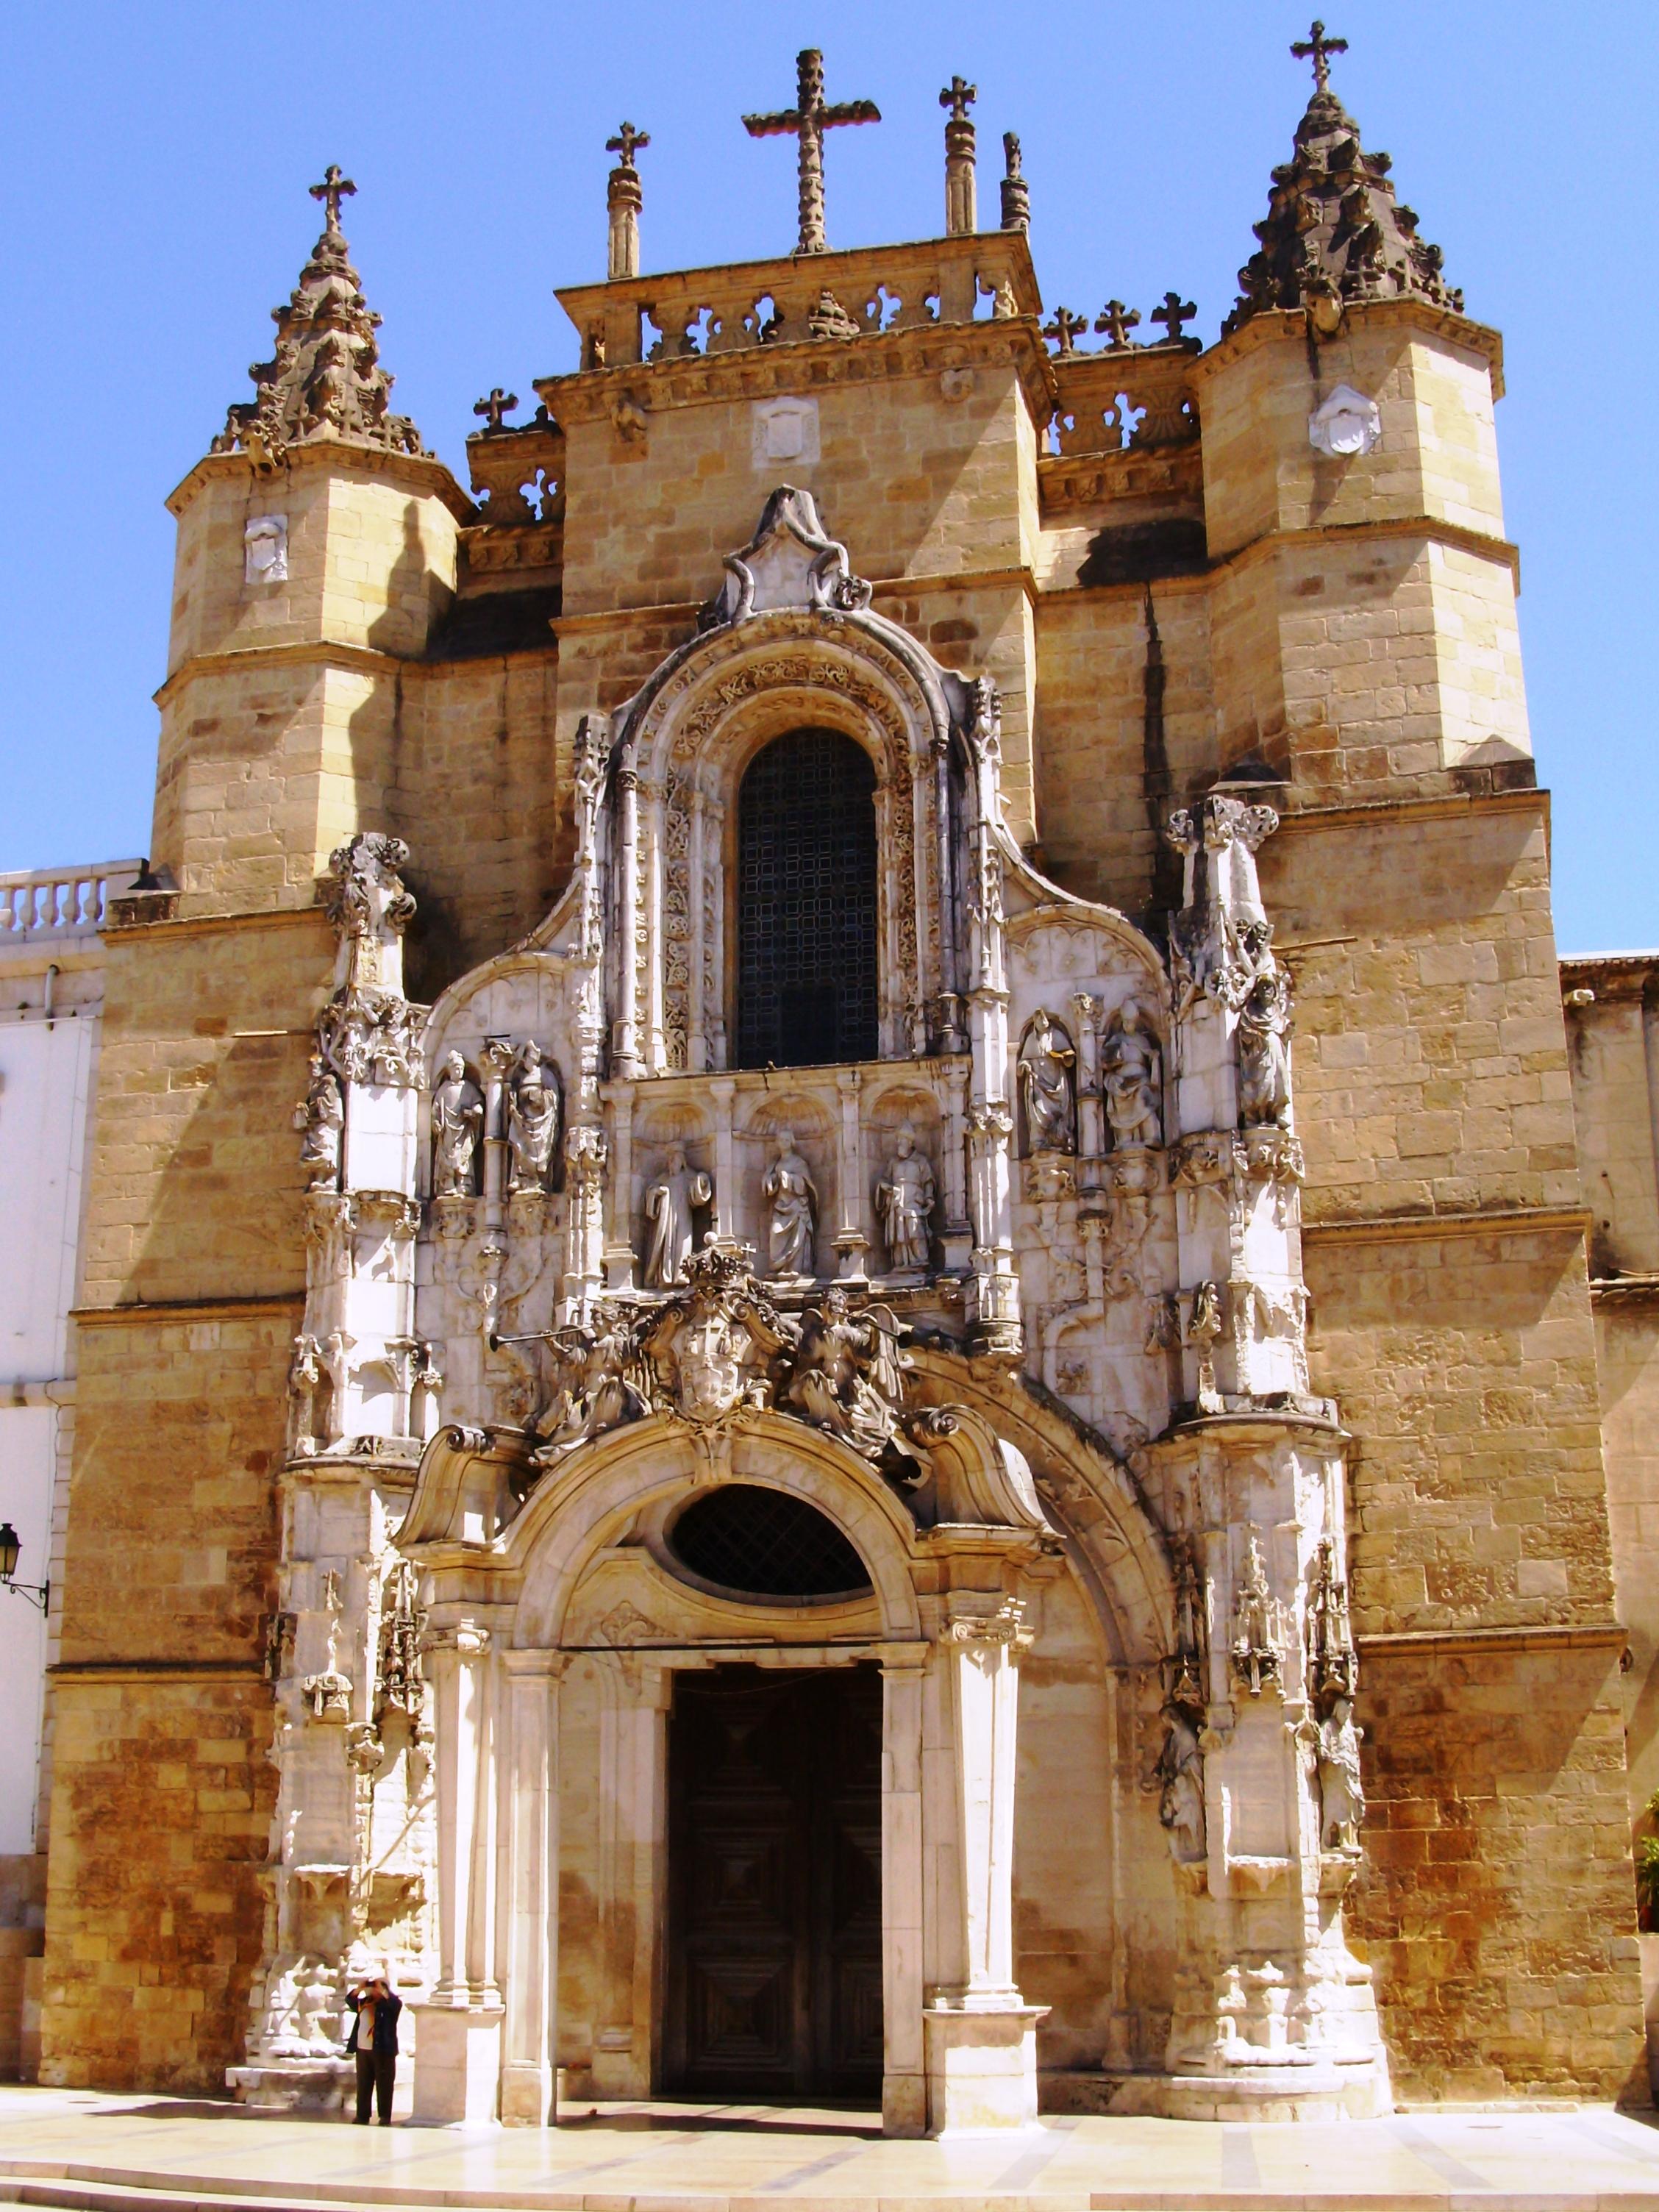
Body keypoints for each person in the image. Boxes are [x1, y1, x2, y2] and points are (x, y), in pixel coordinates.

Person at [346, 1969, 402, 2124]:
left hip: (383, 2050)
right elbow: (350, 2000)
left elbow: (396, 2003)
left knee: (384, 2084)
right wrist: (360, 1988)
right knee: (363, 2084)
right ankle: (362, 2115)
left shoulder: (389, 2005)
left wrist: (382, 1988)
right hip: (363, 2049)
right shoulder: (365, 2003)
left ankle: (385, 2116)